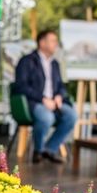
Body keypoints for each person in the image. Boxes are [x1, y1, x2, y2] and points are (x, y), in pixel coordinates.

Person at [15, 30, 77, 164]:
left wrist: (59, 95)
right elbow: (21, 86)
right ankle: (38, 150)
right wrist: (43, 99)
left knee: (71, 116)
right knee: (46, 117)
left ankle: (49, 150)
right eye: (53, 40)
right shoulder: (27, 61)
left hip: (54, 103)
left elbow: (60, 85)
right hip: (34, 102)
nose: (56, 44)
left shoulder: (55, 64)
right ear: (42, 43)